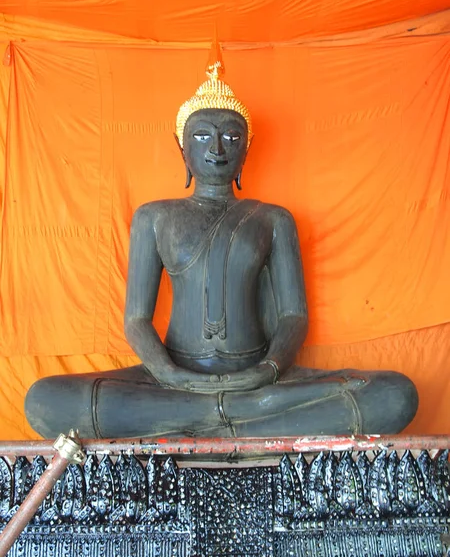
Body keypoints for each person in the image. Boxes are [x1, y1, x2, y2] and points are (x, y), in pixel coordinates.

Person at [25, 58, 418, 439]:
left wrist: (269, 370)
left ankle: (206, 418)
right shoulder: (155, 217)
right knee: (44, 399)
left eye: (232, 137)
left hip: (258, 378)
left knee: (394, 394)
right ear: (181, 149)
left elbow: (293, 317)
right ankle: (231, 418)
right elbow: (137, 321)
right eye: (201, 136)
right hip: (174, 381)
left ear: (246, 151)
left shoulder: (273, 219)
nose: (217, 147)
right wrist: (169, 374)